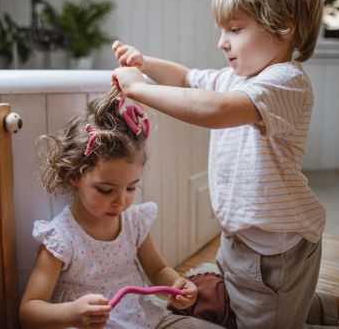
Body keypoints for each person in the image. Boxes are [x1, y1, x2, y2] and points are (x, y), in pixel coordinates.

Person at [111, 0, 339, 329]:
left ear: (284, 27)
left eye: (234, 29)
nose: (222, 42)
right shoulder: (236, 78)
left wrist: (139, 88)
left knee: (271, 314)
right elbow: (187, 79)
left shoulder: (286, 81)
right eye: (222, 30)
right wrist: (146, 63)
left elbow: (216, 111)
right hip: (241, 239)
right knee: (255, 306)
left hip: (276, 252)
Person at [19, 88, 224, 329]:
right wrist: (72, 313)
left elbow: (157, 270)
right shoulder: (60, 239)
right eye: (106, 190)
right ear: (73, 176)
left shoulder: (134, 221)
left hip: (143, 318)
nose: (120, 202)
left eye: (131, 188)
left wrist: (177, 284)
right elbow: (29, 311)